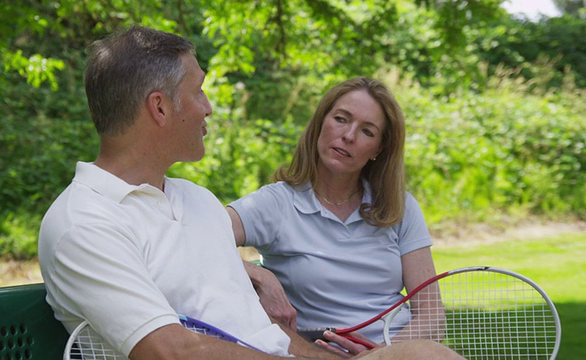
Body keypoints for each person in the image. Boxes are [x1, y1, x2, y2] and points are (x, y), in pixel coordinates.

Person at [38, 25, 463, 360]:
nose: (208, 107)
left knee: (428, 355)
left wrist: (251, 272)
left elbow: (266, 333)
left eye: (367, 131)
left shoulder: (196, 201)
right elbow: (170, 351)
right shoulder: (85, 223)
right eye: (199, 91)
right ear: (160, 108)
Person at [227, 77, 443, 347]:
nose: (349, 136)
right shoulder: (276, 203)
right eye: (341, 119)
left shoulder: (400, 206)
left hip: (397, 350)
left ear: (379, 149)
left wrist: (382, 357)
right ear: (320, 122)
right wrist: (259, 275)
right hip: (318, 352)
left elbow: (433, 315)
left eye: (367, 131)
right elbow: (197, 236)